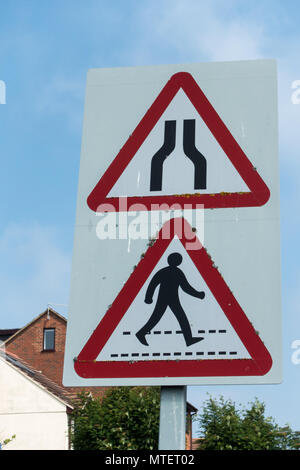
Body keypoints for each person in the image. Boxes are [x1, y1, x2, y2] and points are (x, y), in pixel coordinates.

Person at [136, 252, 205, 347]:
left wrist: (149, 297)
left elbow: (153, 284)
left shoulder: (166, 271)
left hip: (170, 299)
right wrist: (199, 295)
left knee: (176, 318)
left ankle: (189, 339)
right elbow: (185, 288)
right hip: (167, 298)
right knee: (161, 318)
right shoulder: (177, 272)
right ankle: (141, 333)